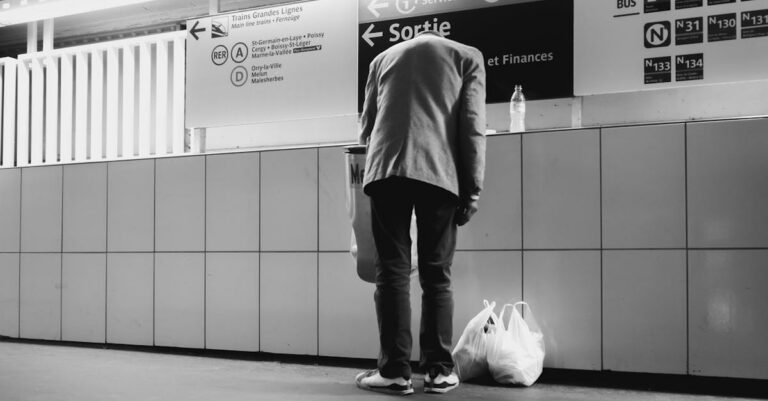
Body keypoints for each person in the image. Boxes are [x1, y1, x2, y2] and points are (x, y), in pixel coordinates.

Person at [354, 31, 487, 395]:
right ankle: (439, 371)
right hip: (438, 172)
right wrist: (472, 189)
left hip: (386, 171)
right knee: (436, 273)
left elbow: (367, 127)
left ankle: (394, 372)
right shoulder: (467, 55)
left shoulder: (381, 59)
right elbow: (472, 126)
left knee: (392, 271)